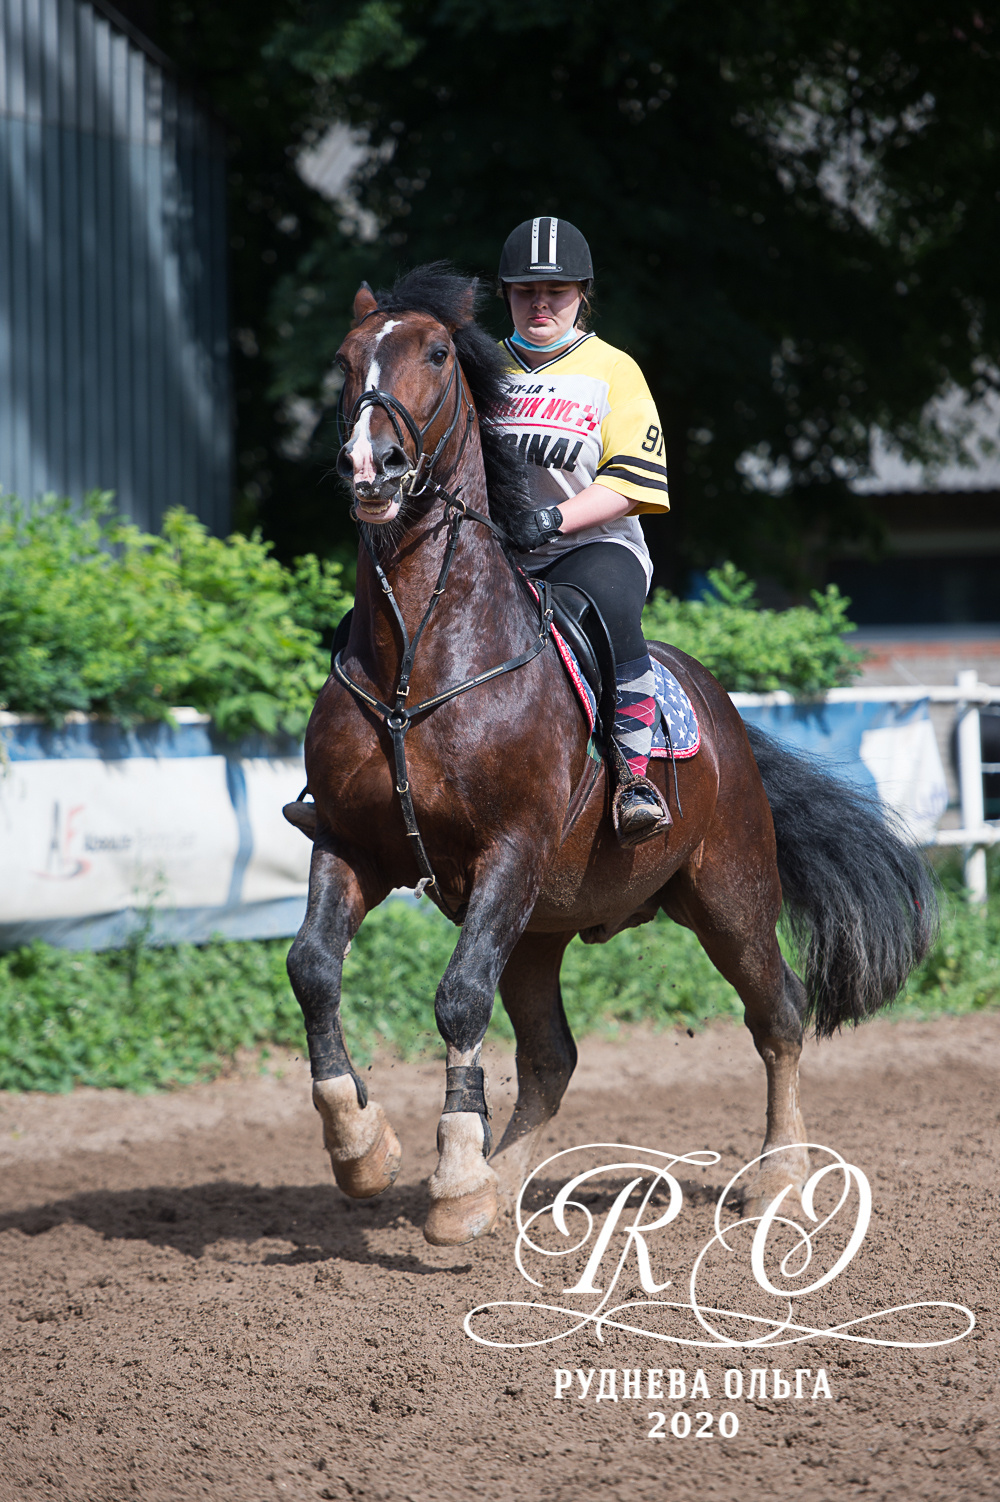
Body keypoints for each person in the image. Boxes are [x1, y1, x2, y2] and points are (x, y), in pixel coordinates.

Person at [495, 216, 671, 846]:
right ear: (506, 295)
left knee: (610, 603)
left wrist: (550, 520)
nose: (540, 303)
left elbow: (631, 483)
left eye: (557, 290)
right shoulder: (479, 369)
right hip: (496, 552)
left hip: (591, 546)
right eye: (524, 290)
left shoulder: (614, 370)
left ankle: (633, 778)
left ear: (582, 294)